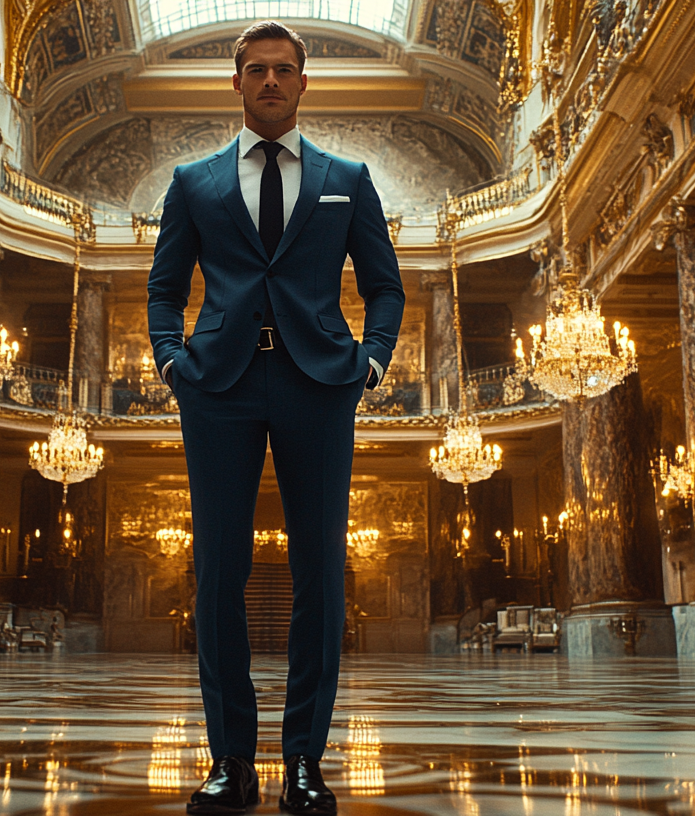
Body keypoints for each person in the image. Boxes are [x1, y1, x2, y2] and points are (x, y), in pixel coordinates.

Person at [145, 20, 405, 816]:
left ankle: (303, 763)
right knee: (219, 572)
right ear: (236, 83)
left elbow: (385, 285)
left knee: (322, 575)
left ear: (303, 82)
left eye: (282, 70)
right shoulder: (193, 182)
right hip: (217, 385)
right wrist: (169, 362)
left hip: (319, 380)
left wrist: (372, 359)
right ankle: (229, 761)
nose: (268, 81)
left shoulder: (347, 177)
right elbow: (163, 288)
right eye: (254, 70)